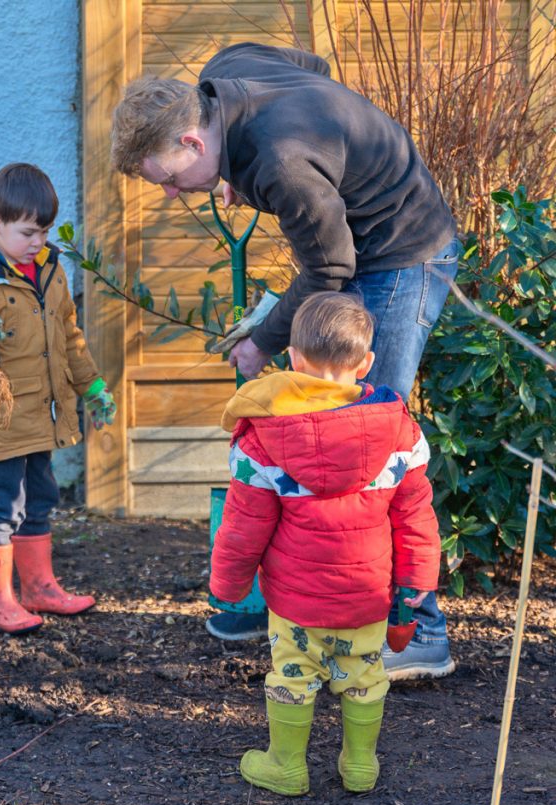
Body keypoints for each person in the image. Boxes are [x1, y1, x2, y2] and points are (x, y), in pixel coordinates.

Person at [110, 41, 458, 677]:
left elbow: (330, 265)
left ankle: (421, 632)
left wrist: (262, 339)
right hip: (354, 242)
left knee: (373, 437)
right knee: (331, 430)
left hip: (402, 249)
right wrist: (266, 173)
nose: (169, 194)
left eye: (167, 181)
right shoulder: (223, 72)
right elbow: (317, 73)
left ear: (192, 140)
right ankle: (318, 605)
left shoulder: (280, 163)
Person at [210, 292, 441, 795]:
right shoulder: (398, 432)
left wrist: (228, 584)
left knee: (292, 677)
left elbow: (244, 524)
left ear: (292, 359)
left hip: (296, 602)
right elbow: (415, 513)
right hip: (367, 597)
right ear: (365, 364)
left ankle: (287, 767)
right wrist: (418, 578)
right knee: (364, 675)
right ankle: (360, 766)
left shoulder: (265, 438)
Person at [0, 162, 115, 634]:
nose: (37, 242)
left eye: (44, 231)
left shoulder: (51, 270)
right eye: (28, 232)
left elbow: (70, 338)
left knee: (40, 496)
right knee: (4, 505)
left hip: (45, 410)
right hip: (5, 414)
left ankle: (39, 589)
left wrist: (92, 387)